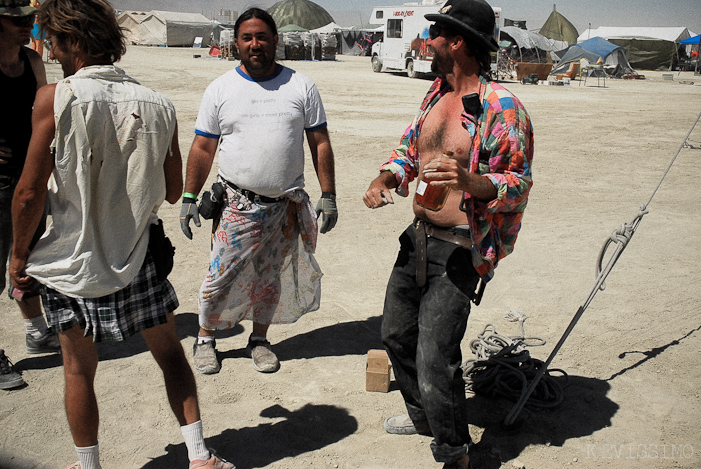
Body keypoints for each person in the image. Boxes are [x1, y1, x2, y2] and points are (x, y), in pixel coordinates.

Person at [9, 1, 234, 468]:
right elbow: (174, 191)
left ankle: (88, 465)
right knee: (170, 354)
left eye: (52, 41)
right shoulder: (157, 103)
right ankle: (199, 456)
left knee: (77, 369)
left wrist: (17, 257)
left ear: (72, 40)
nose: (49, 51)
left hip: (72, 259)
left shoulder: (55, 98)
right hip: (136, 255)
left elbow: (29, 193)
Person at [362, 0, 534, 468]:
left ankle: (456, 453)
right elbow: (409, 151)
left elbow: (517, 186)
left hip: (462, 245)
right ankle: (424, 417)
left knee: (436, 354)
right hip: (418, 237)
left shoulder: (502, 107)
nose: (426, 40)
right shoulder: (435, 93)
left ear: (457, 41)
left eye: (434, 33)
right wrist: (387, 179)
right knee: (395, 334)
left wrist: (471, 182)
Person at [180, 7, 337, 375]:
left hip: (285, 205)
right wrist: (189, 197)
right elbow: (203, 147)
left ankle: (260, 340)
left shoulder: (301, 86)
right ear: (236, 43)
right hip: (237, 204)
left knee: (270, 277)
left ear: (275, 41)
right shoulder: (221, 89)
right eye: (247, 37)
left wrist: (328, 194)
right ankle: (205, 338)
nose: (255, 44)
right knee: (221, 274)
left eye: (262, 37)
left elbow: (320, 143)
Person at [0, 0, 59, 373]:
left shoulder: (31, 62)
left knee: (28, 260)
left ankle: (36, 331)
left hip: (29, 179)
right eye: (16, 19)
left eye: (29, 19)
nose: (27, 26)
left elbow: (45, 114)